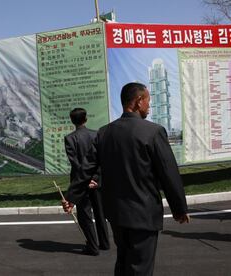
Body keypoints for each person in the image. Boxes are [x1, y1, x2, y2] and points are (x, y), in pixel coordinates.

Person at [63, 82, 190, 275]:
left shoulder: (105, 132)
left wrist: (72, 197)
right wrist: (179, 208)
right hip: (144, 214)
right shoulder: (153, 132)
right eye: (148, 100)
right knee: (140, 268)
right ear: (138, 101)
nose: (149, 105)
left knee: (123, 264)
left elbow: (85, 168)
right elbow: (168, 173)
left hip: (117, 215)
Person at [64, 108, 109, 256]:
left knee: (85, 214)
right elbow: (101, 159)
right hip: (96, 181)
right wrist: (95, 178)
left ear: (72, 120)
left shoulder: (70, 138)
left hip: (80, 181)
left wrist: (85, 180)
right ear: (86, 118)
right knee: (100, 212)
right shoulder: (96, 134)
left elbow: (75, 163)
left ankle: (93, 246)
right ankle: (104, 243)